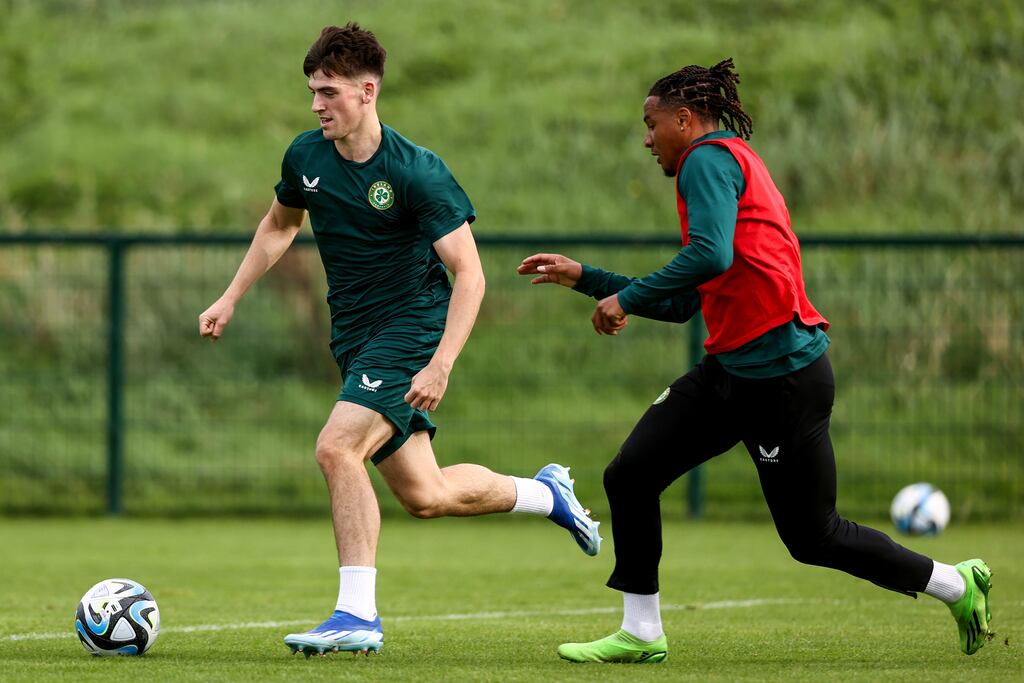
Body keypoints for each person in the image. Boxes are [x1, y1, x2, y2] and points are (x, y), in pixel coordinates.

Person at [518, 58, 992, 663]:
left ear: (684, 120)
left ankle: (956, 582)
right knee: (630, 474)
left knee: (813, 536)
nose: (646, 139)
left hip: (782, 379)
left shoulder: (707, 159)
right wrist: (588, 280)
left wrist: (624, 298)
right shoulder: (722, 164)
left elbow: (709, 257)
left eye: (651, 123)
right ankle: (641, 632)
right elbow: (692, 296)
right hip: (731, 374)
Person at [198, 23, 601, 657]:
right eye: (311, 91)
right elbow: (279, 226)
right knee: (426, 494)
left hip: (413, 327)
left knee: (336, 449)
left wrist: (440, 363)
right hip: (355, 337)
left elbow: (470, 274)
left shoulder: (417, 171)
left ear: (367, 90)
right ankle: (544, 493)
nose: (316, 104)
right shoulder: (305, 156)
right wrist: (230, 296)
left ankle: (356, 615)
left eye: (328, 91)